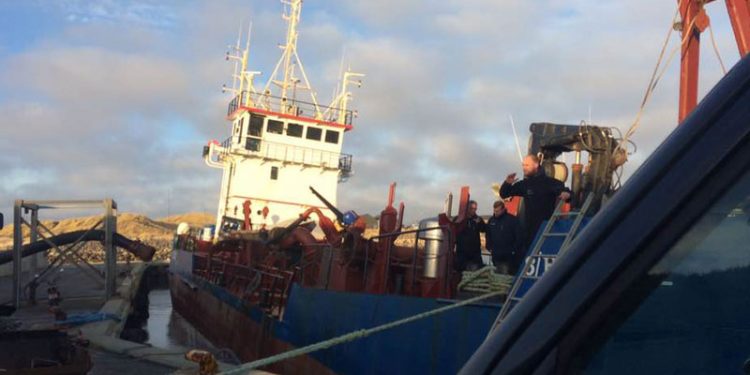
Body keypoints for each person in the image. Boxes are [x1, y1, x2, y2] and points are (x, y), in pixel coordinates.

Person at [500, 154, 571, 252]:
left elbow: (564, 191)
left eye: (527, 165)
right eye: (523, 165)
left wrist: (566, 194)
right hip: (528, 231)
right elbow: (504, 194)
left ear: (536, 165)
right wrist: (507, 183)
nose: (524, 168)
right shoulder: (524, 184)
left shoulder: (550, 182)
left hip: (545, 229)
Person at [485, 200, 523, 275]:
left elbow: (519, 236)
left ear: (503, 209)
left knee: (506, 275)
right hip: (496, 255)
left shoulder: (512, 220)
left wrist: (513, 250)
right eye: (495, 211)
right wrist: (489, 247)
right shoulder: (491, 220)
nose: (496, 213)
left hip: (508, 256)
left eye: (498, 211)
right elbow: (488, 235)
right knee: (497, 276)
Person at [455, 200, 485, 272]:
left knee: (477, 271)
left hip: (475, 252)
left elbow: (484, 229)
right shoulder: (458, 219)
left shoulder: (478, 219)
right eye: (472, 208)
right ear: (467, 208)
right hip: (462, 252)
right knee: (461, 271)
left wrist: (480, 223)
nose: (474, 211)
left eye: (475, 209)